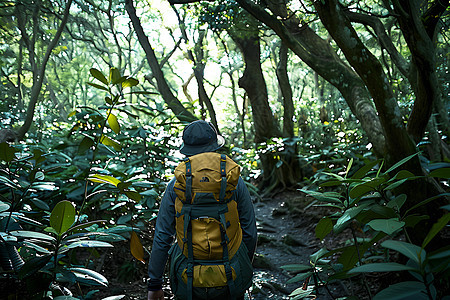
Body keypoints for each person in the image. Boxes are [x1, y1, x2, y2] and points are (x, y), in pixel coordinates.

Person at [147, 120, 257, 300]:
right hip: (232, 272)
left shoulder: (176, 185)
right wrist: (242, 264)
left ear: (187, 150)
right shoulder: (234, 183)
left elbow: (162, 236)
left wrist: (155, 283)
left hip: (187, 276)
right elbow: (250, 232)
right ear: (215, 147)